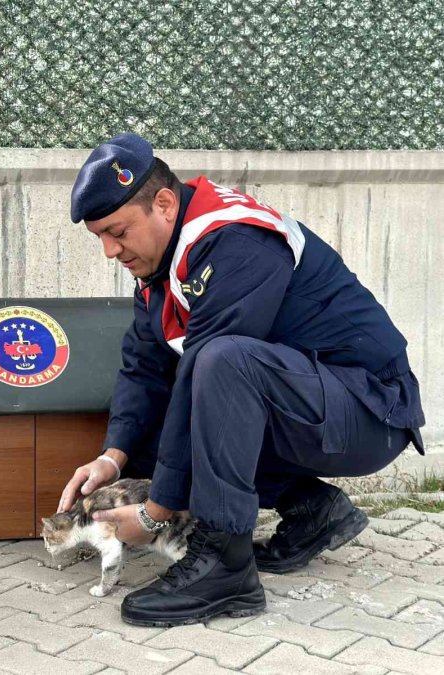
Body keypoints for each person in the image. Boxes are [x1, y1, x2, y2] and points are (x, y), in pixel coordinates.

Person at [59, 132, 425, 627]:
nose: (109, 251)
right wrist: (113, 458)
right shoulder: (164, 265)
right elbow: (143, 368)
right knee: (154, 437)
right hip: (309, 403)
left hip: (368, 408)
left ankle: (225, 566)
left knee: (220, 362)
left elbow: (212, 371)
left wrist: (155, 515)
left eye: (117, 231)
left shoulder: (234, 240)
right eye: (99, 236)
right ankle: (314, 511)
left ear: (164, 204)